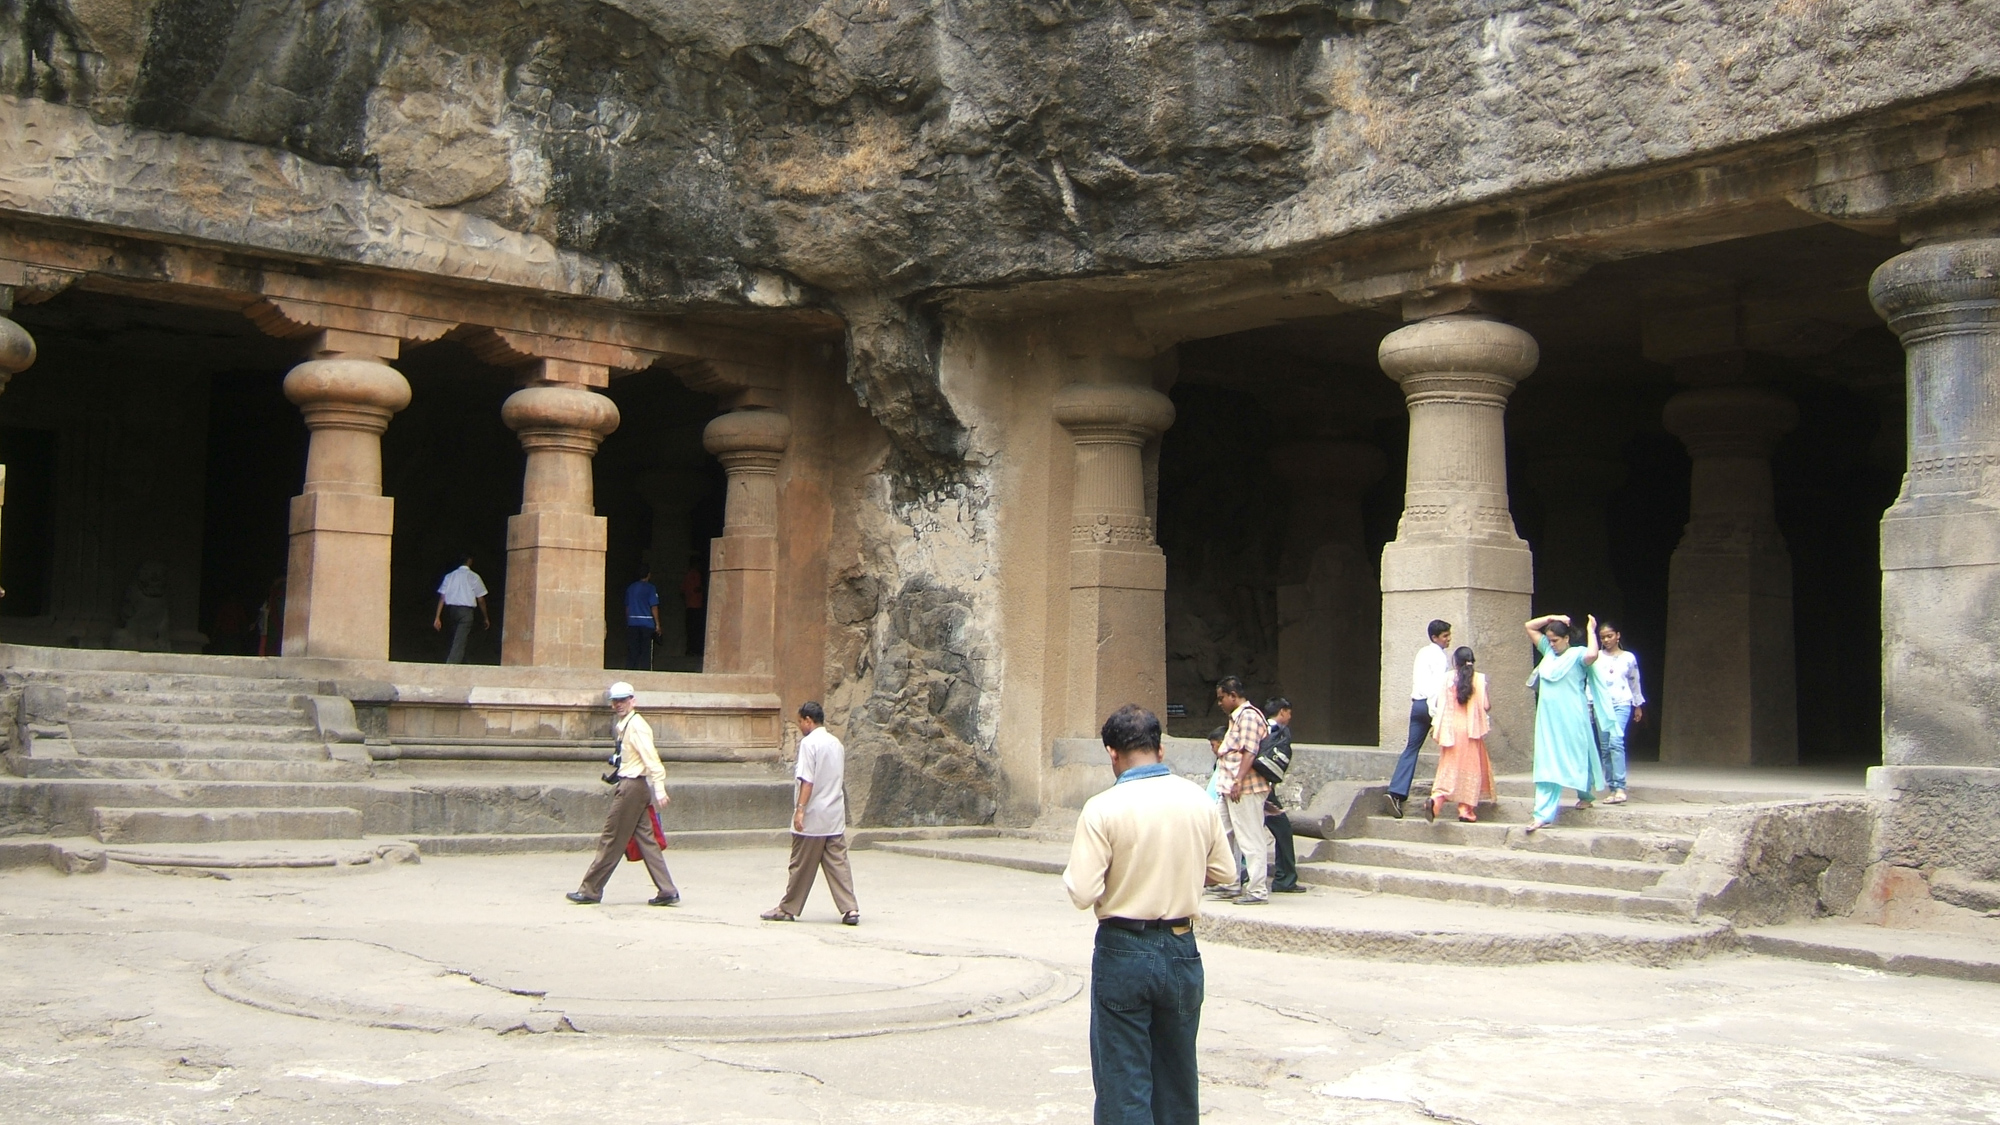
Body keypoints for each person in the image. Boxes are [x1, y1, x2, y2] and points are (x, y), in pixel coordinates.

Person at [1062, 704, 1234, 1125]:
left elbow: (1083, 892)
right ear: (1160, 749)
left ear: (1112, 754)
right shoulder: (1198, 800)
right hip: (1181, 947)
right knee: (1176, 1077)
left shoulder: (1103, 808)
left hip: (1123, 947)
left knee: (1124, 1080)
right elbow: (1226, 873)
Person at [568, 682, 680, 906]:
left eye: (623, 700)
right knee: (647, 841)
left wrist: (659, 789)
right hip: (634, 785)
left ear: (633, 701)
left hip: (632, 786)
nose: (619, 704)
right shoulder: (627, 724)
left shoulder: (636, 726)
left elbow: (652, 759)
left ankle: (590, 889)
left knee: (611, 839)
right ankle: (667, 890)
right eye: (616, 701)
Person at [761, 702, 860, 924]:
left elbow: (808, 780)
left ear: (808, 720)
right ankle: (850, 908)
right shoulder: (836, 744)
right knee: (838, 863)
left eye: (800, 722)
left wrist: (800, 810)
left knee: (800, 864)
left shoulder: (809, 744)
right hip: (833, 813)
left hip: (813, 814)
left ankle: (788, 908)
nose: (799, 726)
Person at [1522, 614, 1607, 832]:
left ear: (1566, 638)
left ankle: (1585, 794)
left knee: (1579, 754)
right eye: (1549, 640)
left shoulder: (1577, 654)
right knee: (1547, 761)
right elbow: (1529, 626)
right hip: (1548, 718)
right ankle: (1542, 814)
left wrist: (1591, 630)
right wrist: (1553, 617)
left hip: (1572, 715)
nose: (1551, 644)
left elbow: (1592, 654)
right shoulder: (1548, 652)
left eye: (1555, 640)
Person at [1213, 676, 1271, 906]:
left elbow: (1250, 751)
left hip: (1244, 787)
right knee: (1221, 832)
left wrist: (1238, 780)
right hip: (1230, 787)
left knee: (1250, 837)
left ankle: (1257, 889)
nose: (1220, 703)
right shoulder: (1235, 719)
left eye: (1221, 698)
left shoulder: (1247, 716)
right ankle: (1230, 881)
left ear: (1233, 696)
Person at [1387, 619, 1453, 818]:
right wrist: (1436, 716)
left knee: (1411, 748)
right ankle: (1441, 794)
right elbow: (1437, 687)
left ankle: (1396, 792)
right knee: (1449, 749)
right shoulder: (1440, 657)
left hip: (1417, 704)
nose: (1449, 639)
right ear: (1435, 637)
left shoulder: (1422, 653)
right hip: (1431, 705)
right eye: (1445, 636)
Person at [1425, 647, 1494, 823]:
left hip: (1451, 730)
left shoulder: (1448, 678)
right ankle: (1465, 810)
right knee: (1470, 769)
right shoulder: (1479, 679)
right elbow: (1485, 705)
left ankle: (1437, 799)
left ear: (1455, 662)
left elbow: (1441, 703)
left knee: (1448, 767)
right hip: (1470, 730)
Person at [1593, 621, 1645, 805]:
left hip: (1622, 703)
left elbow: (1634, 681)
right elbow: (1591, 682)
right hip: (1601, 705)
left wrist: (1637, 704)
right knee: (1605, 747)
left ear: (1618, 635)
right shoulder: (1596, 657)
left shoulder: (1628, 657)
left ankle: (1621, 787)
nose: (1606, 640)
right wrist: (1589, 704)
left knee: (1616, 741)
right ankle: (1613, 788)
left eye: (1609, 636)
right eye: (1603, 637)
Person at [1260, 697, 1305, 894]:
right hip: (1262, 791)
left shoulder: (1258, 727)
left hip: (1255, 789)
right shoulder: (1275, 732)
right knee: (1283, 830)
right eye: (1289, 712)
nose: (1290, 717)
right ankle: (1284, 879)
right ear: (1282, 711)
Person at [433, 555, 490, 665]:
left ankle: (466, 661)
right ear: (470, 561)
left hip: (452, 611)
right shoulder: (473, 577)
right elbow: (481, 599)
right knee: (460, 639)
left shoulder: (449, 576)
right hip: (466, 612)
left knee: (458, 637)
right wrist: (486, 617)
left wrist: (437, 617)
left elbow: (442, 597)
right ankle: (451, 665)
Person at [623, 566, 662, 671]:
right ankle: (645, 672)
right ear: (648, 575)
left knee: (633, 650)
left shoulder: (630, 588)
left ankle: (630, 671)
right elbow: (654, 606)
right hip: (647, 622)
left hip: (632, 622)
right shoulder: (650, 588)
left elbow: (627, 606)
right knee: (646, 651)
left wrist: (628, 621)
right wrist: (657, 624)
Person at [681, 556, 707, 657]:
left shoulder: (687, 575)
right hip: (696, 606)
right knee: (696, 630)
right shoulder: (696, 575)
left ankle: (690, 649)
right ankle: (695, 650)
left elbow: (682, 591)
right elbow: (696, 589)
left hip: (689, 606)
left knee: (690, 630)